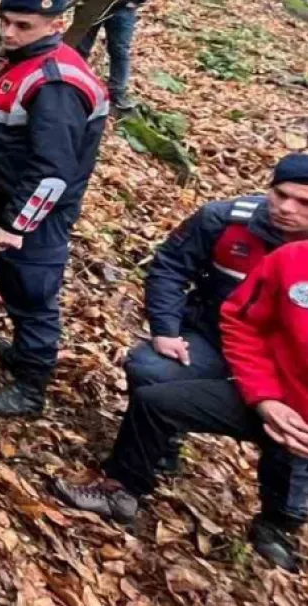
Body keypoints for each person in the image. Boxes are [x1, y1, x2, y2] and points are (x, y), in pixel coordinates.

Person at [50, 239, 308, 573]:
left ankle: (277, 525)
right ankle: (122, 490)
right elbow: (243, 321)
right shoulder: (292, 258)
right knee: (156, 402)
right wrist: (265, 397)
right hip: (273, 394)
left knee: (289, 474)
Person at [0, 0, 109, 417]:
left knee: (33, 292)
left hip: (37, 213)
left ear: (56, 25)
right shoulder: (27, 59)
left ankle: (30, 388)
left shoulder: (56, 83)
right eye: (5, 22)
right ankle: (21, 350)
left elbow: (52, 170)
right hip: (12, 196)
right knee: (14, 282)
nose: (8, 33)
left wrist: (17, 226)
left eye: (22, 26)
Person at [121, 155, 308, 467]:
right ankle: (157, 446)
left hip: (289, 366)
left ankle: (282, 508)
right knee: (151, 368)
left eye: (303, 202)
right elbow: (170, 268)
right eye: (281, 195)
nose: (287, 209)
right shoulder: (224, 220)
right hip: (213, 338)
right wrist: (166, 330)